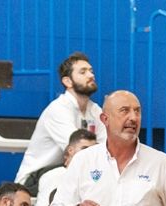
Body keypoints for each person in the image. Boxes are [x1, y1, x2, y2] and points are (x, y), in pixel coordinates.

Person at [15, 51, 106, 185]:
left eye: (91, 71)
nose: (91, 75)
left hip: (66, 171)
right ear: (67, 81)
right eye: (83, 72)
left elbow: (108, 147)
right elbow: (77, 152)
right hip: (35, 178)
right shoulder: (58, 109)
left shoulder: (94, 109)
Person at [24, 128, 98, 206]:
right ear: (70, 151)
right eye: (84, 149)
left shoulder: (94, 178)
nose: (89, 155)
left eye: (93, 151)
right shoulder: (55, 176)